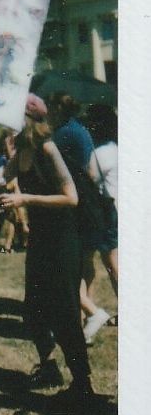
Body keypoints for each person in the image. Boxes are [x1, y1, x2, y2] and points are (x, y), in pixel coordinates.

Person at [0, 94, 96, 413]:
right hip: (41, 239)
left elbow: (71, 198)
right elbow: (2, 178)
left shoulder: (47, 148)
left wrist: (26, 199)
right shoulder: (21, 150)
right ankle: (49, 366)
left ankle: (83, 384)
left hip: (63, 239)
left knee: (66, 311)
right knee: (35, 308)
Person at [46, 92, 110, 344]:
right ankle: (85, 318)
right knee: (85, 265)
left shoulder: (66, 133)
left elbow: (89, 171)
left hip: (79, 208)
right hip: (88, 206)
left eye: (50, 105)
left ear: (58, 108)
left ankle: (88, 315)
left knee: (74, 267)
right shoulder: (76, 130)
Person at [86, 103, 118, 325]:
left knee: (112, 262)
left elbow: (90, 180)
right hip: (123, 204)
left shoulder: (98, 154)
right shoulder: (116, 148)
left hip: (110, 208)